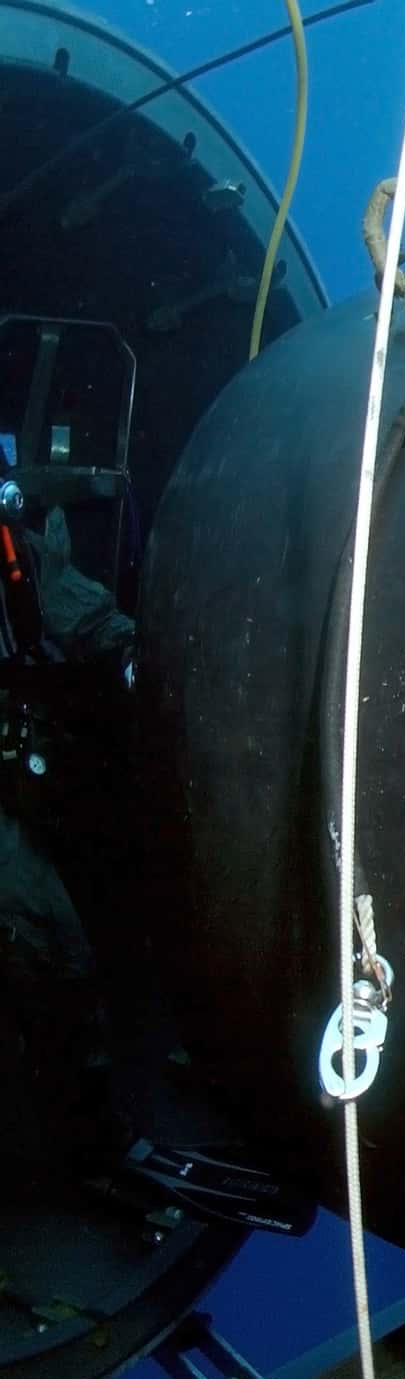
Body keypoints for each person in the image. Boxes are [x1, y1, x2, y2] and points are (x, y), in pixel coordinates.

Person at [0, 503, 134, 1194]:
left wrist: (140, 652)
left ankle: (86, 1151)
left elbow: (70, 605)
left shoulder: (15, 552)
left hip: (10, 806)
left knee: (58, 954)